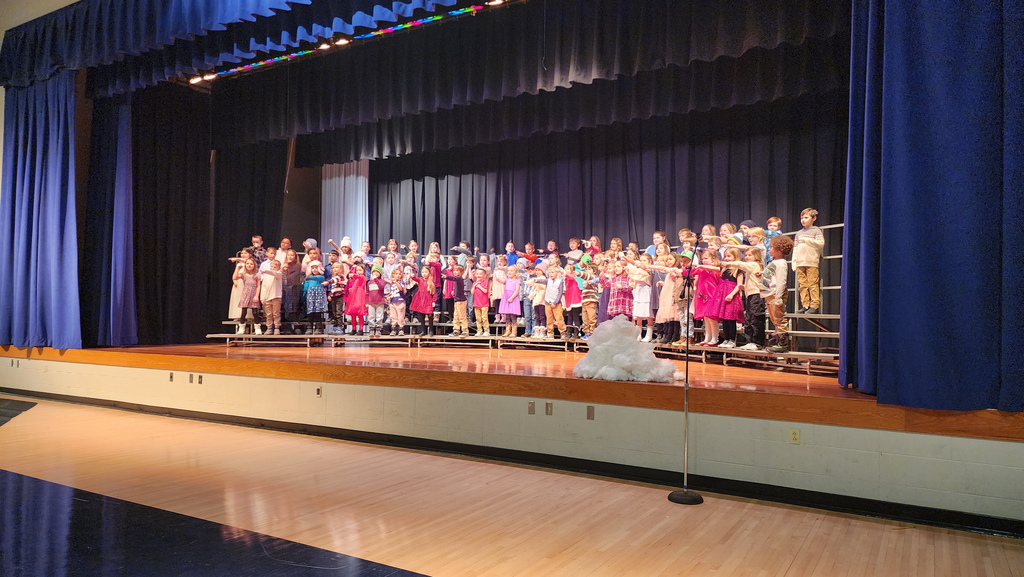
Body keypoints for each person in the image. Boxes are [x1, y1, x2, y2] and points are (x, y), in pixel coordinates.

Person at [709, 248, 746, 348]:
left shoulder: (738, 270)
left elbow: (739, 285)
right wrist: (700, 266)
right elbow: (711, 268)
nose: (726, 258)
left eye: (729, 256)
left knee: (731, 318)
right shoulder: (723, 270)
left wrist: (731, 295)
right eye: (725, 256)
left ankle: (732, 340)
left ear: (735, 257)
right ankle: (725, 339)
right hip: (722, 295)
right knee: (724, 318)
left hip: (731, 296)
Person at [763, 235, 794, 353]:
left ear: (779, 249)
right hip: (770, 293)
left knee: (779, 318)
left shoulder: (781, 263)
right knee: (774, 318)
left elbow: (781, 281)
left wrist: (778, 297)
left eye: (771, 247)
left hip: (775, 294)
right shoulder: (774, 262)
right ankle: (778, 340)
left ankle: (783, 343)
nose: (769, 249)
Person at [793, 208, 825, 313]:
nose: (803, 220)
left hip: (811, 261)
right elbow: (796, 248)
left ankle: (814, 305)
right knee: (802, 284)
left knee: (812, 283)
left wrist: (807, 240)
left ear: (814, 218)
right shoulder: (799, 233)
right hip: (800, 262)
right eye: (802, 218)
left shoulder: (816, 230)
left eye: (806, 217)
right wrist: (794, 261)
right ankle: (805, 304)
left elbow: (821, 243)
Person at [692, 249, 722, 345]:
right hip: (703, 295)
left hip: (712, 295)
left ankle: (714, 338)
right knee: (706, 318)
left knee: (712, 318)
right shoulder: (702, 268)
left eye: (706, 258)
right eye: (703, 259)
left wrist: (703, 266)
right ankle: (707, 338)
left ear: (713, 258)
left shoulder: (714, 268)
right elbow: (692, 271)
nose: (704, 260)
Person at [233, 257, 262, 334]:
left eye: (251, 264)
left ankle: (257, 328)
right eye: (248, 263)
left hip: (253, 293)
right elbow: (235, 277)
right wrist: (237, 268)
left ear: (254, 265)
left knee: (255, 312)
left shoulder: (257, 275)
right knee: (243, 312)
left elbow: (258, 286)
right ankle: (241, 328)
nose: (249, 265)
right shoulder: (243, 274)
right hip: (246, 293)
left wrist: (256, 296)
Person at [629, 254, 654, 341]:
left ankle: (649, 335)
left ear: (649, 262)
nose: (642, 262)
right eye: (641, 260)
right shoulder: (638, 270)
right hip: (639, 291)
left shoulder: (649, 270)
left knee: (648, 313)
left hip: (646, 291)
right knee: (638, 313)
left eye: (644, 260)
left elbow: (643, 274)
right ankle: (638, 334)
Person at [280, 249, 304, 334]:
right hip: (284, 289)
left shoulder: (297, 266)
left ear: (295, 257)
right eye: (288, 255)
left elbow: (293, 277)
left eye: (292, 255)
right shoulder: (283, 266)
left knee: (294, 308)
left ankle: (297, 327)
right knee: (284, 309)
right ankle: (287, 328)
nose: (290, 257)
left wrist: (287, 270)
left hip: (294, 289)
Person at [541, 266, 568, 338]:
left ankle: (562, 332)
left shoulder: (559, 281)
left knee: (559, 318)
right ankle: (550, 333)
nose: (551, 274)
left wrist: (555, 302)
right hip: (548, 302)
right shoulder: (548, 280)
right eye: (550, 272)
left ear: (557, 273)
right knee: (549, 319)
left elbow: (560, 293)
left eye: (552, 272)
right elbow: (542, 281)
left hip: (556, 303)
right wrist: (535, 280)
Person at [409, 266, 437, 336]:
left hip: (428, 300)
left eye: (426, 272)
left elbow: (434, 293)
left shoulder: (431, 282)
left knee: (430, 315)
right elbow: (414, 278)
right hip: (420, 299)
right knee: (421, 315)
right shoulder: (420, 280)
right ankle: (423, 331)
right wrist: (413, 275)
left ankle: (431, 331)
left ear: (429, 273)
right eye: (423, 272)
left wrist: (434, 301)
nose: (424, 274)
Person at [303, 260, 328, 335]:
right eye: (313, 268)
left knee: (318, 313)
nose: (314, 270)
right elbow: (305, 288)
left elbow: (318, 279)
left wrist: (308, 277)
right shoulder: (309, 279)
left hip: (318, 297)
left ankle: (318, 328)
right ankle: (310, 327)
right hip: (311, 296)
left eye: (316, 268)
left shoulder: (321, 277)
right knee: (310, 313)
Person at [260, 259, 284, 335]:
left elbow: (274, 273)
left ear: (279, 268)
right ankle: (269, 328)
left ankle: (277, 327)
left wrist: (266, 271)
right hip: (267, 298)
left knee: (276, 313)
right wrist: (262, 298)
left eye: (275, 267)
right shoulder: (266, 276)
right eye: (271, 267)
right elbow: (263, 287)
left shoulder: (278, 274)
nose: (273, 268)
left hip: (276, 296)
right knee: (268, 314)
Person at [444, 264, 468, 337]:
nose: (455, 272)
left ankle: (465, 331)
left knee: (462, 316)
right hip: (456, 300)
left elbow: (454, 279)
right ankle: (456, 330)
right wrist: (454, 292)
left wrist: (447, 277)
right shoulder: (457, 280)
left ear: (461, 272)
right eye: (454, 270)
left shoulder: (459, 278)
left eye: (457, 270)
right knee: (456, 316)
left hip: (461, 300)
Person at [345, 263, 368, 336]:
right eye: (357, 270)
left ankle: (361, 329)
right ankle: (353, 329)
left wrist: (353, 274)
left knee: (360, 313)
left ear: (364, 271)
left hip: (359, 296)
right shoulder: (355, 278)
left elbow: (358, 276)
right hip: (353, 295)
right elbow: (350, 276)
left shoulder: (363, 277)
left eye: (360, 270)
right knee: (353, 314)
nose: (358, 271)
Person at [499, 265, 521, 337]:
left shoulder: (517, 281)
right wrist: (496, 278)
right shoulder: (506, 280)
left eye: (511, 271)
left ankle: (514, 332)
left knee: (513, 316)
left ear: (515, 272)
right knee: (507, 316)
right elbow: (501, 281)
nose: (509, 272)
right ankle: (508, 331)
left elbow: (517, 290)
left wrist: (512, 297)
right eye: (508, 271)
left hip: (513, 299)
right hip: (506, 298)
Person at [366, 265, 388, 337]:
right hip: (371, 302)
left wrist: (376, 279)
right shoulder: (369, 282)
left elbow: (381, 287)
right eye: (374, 272)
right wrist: (366, 302)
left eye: (377, 272)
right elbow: (367, 293)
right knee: (371, 316)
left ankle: (378, 330)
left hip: (379, 301)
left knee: (379, 316)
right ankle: (371, 329)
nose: (375, 273)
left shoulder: (382, 281)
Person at [563, 264, 583, 339]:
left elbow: (570, 276)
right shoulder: (565, 279)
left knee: (575, 316)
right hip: (569, 299)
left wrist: (563, 273)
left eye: (568, 269)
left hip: (575, 299)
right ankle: (569, 332)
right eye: (566, 268)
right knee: (570, 317)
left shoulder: (572, 276)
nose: (566, 270)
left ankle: (576, 333)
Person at [326, 263, 347, 333]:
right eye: (334, 267)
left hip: (339, 296)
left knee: (338, 312)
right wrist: (330, 295)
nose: (335, 269)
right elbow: (332, 288)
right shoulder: (333, 277)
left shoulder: (340, 277)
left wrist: (327, 282)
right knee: (334, 312)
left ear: (341, 269)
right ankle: (335, 327)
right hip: (334, 296)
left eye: (337, 267)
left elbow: (335, 280)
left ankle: (340, 327)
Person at [386, 268, 407, 336]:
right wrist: (389, 297)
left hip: (400, 301)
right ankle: (393, 329)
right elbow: (393, 292)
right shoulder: (392, 284)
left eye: (399, 274)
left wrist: (396, 282)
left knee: (400, 316)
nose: (397, 275)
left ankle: (401, 329)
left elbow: (401, 289)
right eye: (396, 274)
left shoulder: (401, 282)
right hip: (393, 302)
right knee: (393, 316)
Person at [471, 268, 490, 336]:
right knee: (478, 318)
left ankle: (486, 330)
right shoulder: (474, 283)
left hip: (484, 303)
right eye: (477, 274)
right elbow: (472, 292)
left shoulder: (485, 283)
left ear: (484, 275)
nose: (478, 275)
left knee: (484, 318)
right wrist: (475, 286)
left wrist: (479, 286)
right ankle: (479, 330)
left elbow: (485, 291)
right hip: (476, 303)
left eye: (480, 274)